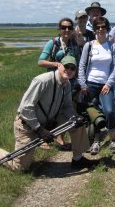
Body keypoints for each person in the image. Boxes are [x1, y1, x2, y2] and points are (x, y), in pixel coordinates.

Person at [0, 56, 94, 171]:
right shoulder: (42, 81)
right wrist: (39, 130)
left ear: (75, 71)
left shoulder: (67, 84)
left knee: (76, 124)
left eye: (72, 68)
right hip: (27, 125)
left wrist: (74, 118)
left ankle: (78, 159)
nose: (69, 70)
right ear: (59, 65)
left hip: (47, 123)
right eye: (66, 66)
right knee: (19, 167)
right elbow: (25, 108)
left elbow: (67, 106)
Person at [78, 16, 115, 154]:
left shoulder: (113, 46)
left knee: (109, 111)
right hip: (90, 84)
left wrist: (109, 83)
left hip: (105, 85)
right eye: (98, 27)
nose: (100, 29)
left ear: (107, 28)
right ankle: (96, 142)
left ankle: (113, 140)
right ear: (95, 29)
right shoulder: (89, 45)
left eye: (103, 27)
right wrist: (83, 84)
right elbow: (82, 65)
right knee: (94, 114)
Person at [38, 18, 80, 150]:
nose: (66, 30)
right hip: (54, 82)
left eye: (69, 27)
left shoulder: (74, 44)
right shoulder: (53, 43)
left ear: (72, 29)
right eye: (63, 27)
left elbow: (77, 62)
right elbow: (40, 62)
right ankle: (42, 138)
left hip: (69, 83)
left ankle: (60, 137)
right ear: (59, 29)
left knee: (66, 109)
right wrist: (56, 64)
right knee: (50, 109)